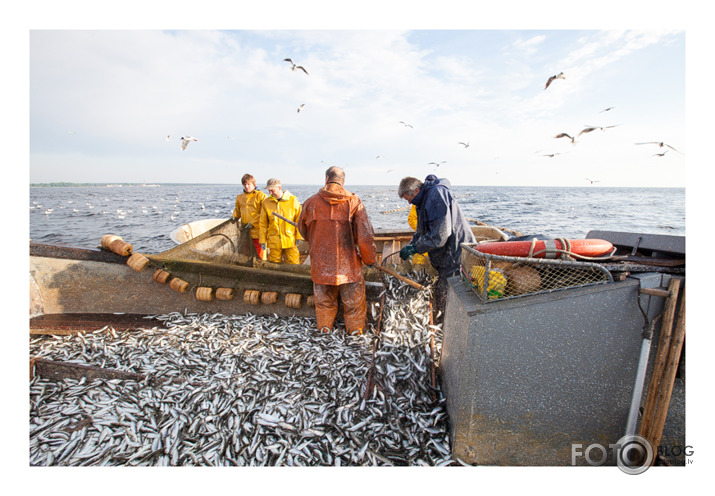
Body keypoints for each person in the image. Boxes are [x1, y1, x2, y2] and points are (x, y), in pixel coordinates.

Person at [297, 166, 377, 334]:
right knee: (354, 304)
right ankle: (356, 332)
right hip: (348, 269)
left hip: (320, 266)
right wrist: (369, 260)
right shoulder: (354, 202)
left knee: (324, 302)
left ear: (326, 179)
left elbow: (303, 231)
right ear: (343, 181)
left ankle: (325, 330)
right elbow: (365, 237)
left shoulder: (310, 202)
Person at [398, 174, 476, 322]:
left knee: (447, 296)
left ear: (415, 191)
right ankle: (443, 324)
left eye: (407, 198)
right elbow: (422, 231)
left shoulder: (436, 194)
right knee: (442, 292)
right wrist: (411, 245)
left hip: (455, 252)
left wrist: (416, 249)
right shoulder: (423, 200)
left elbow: (440, 235)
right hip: (445, 254)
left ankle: (448, 328)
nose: (408, 203)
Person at [259, 178, 303, 264]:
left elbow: (300, 220)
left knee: (293, 263)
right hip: (274, 240)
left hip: (290, 239)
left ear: (279, 188)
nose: (270, 193)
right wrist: (262, 240)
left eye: (272, 190)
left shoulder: (293, 201)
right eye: (269, 191)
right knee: (274, 263)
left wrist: (299, 236)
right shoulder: (266, 203)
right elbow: (263, 223)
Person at [230, 173, 267, 260]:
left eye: (249, 184)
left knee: (260, 255)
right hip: (245, 231)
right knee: (245, 255)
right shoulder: (240, 197)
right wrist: (234, 216)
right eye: (245, 184)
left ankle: (261, 271)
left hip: (258, 232)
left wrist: (253, 223)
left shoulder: (261, 196)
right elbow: (237, 210)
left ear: (254, 184)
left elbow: (264, 213)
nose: (246, 186)